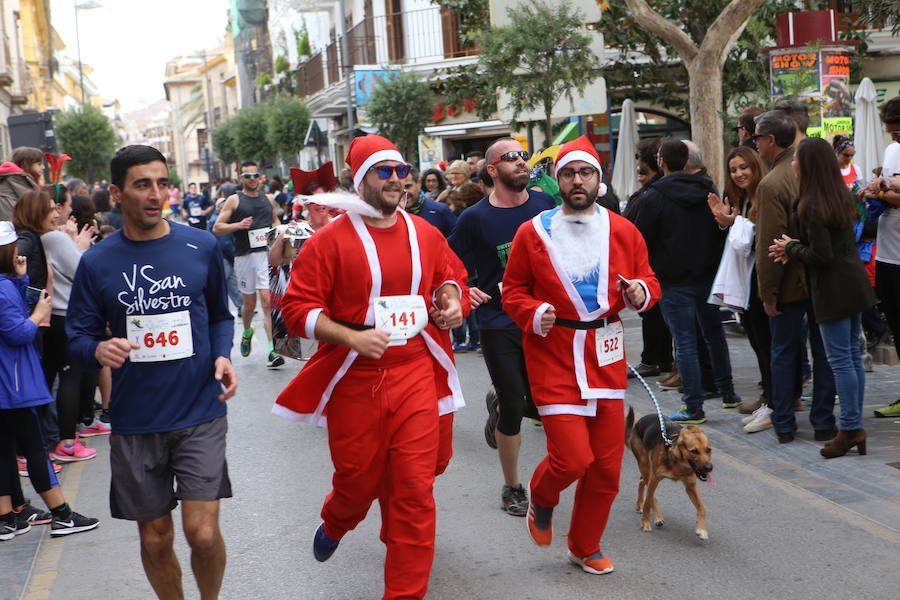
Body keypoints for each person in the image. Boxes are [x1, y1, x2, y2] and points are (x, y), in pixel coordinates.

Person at [272, 134, 467, 600]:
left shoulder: (425, 232)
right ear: (360, 181)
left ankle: (404, 593)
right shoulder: (329, 242)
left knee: (415, 491)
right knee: (358, 483)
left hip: (417, 372)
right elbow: (297, 309)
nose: (398, 179)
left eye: (402, 170)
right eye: (385, 171)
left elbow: (449, 276)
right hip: (355, 380)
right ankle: (338, 520)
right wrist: (351, 335)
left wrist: (453, 302)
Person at [66, 145, 237, 599]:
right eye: (142, 184)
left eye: (162, 183)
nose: (155, 194)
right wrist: (99, 348)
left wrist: (223, 355)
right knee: (155, 537)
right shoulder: (97, 263)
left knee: (202, 534)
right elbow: (77, 337)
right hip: (136, 419)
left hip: (200, 411)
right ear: (117, 194)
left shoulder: (198, 245)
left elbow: (221, 315)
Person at [503, 135, 659, 575]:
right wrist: (534, 312)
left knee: (607, 469)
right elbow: (512, 291)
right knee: (573, 459)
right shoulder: (531, 232)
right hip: (554, 354)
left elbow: (649, 278)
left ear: (598, 180)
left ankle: (585, 545)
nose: (577, 181)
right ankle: (543, 494)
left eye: (585, 172)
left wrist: (639, 291)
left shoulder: (623, 229)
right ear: (558, 179)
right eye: (569, 173)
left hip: (606, 356)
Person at [448, 137, 555, 516]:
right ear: (493, 169)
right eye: (510, 157)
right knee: (514, 405)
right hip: (499, 321)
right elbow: (445, 262)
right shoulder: (475, 218)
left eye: (523, 156)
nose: (521, 162)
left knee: (544, 406)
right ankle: (512, 486)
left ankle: (500, 403)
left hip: (545, 318)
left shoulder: (545, 204)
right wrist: (464, 288)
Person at [769, 137, 875, 457]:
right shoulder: (837, 194)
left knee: (841, 360)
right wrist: (796, 248)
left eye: (798, 159)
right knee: (851, 359)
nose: (793, 163)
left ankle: (851, 428)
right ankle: (853, 427)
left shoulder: (811, 203)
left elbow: (821, 255)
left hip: (833, 289)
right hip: (853, 282)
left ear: (808, 165)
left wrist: (790, 247)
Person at [0, 220, 100, 540]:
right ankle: (63, 514)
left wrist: (20, 279)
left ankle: (5, 518)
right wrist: (39, 313)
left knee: (4, 452)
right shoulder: (2, 289)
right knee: (36, 449)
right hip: (15, 385)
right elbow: (18, 332)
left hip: (7, 384)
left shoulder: (5, 284)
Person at [634, 139, 741, 424]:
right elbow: (719, 229)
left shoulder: (654, 195)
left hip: (672, 280)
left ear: (661, 162)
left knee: (685, 342)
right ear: (687, 161)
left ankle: (693, 407)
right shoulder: (706, 188)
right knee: (713, 334)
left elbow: (641, 238)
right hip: (706, 274)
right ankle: (728, 392)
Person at [754, 111, 837, 443]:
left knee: (784, 352)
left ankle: (785, 422)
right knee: (823, 352)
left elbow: (771, 244)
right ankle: (823, 422)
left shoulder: (772, 182)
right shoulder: (816, 173)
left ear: (771, 140)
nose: (754, 144)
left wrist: (768, 292)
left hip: (791, 281)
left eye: (757, 138)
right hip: (822, 277)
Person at [707, 147, 773, 431]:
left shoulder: (765, 194)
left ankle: (775, 404)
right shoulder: (743, 198)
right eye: (734, 169)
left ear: (755, 166)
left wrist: (734, 222)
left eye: (743, 167)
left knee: (767, 345)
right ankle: (770, 399)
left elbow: (762, 235)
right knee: (759, 344)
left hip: (762, 282)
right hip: (746, 283)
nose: (739, 173)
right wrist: (729, 223)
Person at [213, 160, 283, 368]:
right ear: (241, 178)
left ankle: (272, 350)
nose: (252, 180)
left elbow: (275, 220)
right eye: (248, 176)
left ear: (260, 177)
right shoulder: (234, 200)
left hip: (266, 256)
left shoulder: (268, 199)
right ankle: (246, 330)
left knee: (267, 302)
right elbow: (218, 227)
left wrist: (278, 231)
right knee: (249, 306)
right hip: (244, 257)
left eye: (255, 176)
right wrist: (238, 225)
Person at [862, 95, 900, 418]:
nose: (894, 138)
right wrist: (878, 186)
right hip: (888, 255)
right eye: (891, 132)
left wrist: (883, 192)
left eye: (899, 132)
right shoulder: (891, 150)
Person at [623, 138, 672, 380]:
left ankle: (654, 359)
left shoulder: (654, 193)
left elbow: (640, 231)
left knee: (653, 313)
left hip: (653, 263)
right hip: (655, 262)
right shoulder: (651, 191)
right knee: (655, 315)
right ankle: (661, 358)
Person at [401, 168, 457, 236]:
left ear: (419, 184)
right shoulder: (389, 217)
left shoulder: (440, 211)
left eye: (407, 186)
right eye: (398, 187)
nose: (403, 192)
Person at [0, 147, 42, 221]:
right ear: (27, 164)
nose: (43, 167)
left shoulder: (13, 178)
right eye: (39, 164)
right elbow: (34, 205)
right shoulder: (18, 179)